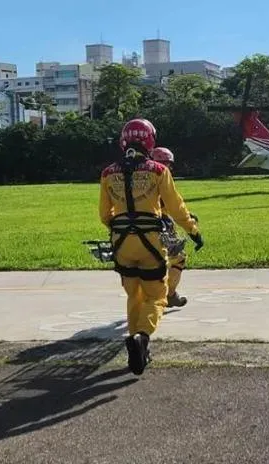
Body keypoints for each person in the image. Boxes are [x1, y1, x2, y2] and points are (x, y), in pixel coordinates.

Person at [99, 118, 204, 375]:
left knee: (133, 295)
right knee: (157, 296)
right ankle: (142, 337)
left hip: (122, 244)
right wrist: (193, 230)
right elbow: (176, 208)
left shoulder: (107, 173)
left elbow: (104, 214)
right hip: (151, 245)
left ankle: (137, 347)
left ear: (124, 140)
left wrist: (122, 227)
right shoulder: (158, 170)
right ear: (150, 140)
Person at [150, 146, 197, 308]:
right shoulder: (161, 177)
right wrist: (190, 224)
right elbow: (173, 205)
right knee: (178, 258)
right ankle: (169, 294)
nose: (168, 168)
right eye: (166, 164)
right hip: (161, 225)